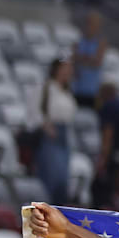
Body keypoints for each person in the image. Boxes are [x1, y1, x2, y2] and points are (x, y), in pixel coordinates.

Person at [37, 58, 76, 206]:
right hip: (51, 132)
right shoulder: (46, 88)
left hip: (64, 133)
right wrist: (46, 125)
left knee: (63, 179)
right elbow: (35, 110)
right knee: (52, 177)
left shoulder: (67, 91)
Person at [71, 9, 106, 108]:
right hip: (77, 88)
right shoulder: (78, 41)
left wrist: (80, 59)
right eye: (89, 23)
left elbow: (97, 62)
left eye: (94, 24)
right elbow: (73, 59)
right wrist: (88, 59)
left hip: (92, 90)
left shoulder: (101, 42)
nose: (90, 26)